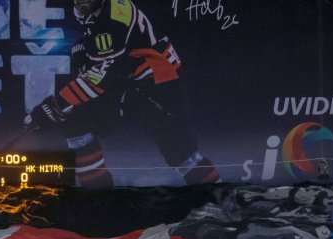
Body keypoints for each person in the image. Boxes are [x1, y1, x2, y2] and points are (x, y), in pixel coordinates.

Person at [24, 0, 219, 188]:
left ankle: (216, 198)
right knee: (76, 120)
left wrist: (55, 105)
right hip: (127, 80)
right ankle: (97, 194)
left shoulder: (110, 23)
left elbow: (99, 78)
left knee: (181, 152)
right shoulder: (98, 12)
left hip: (157, 82)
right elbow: (108, 70)